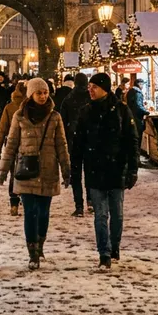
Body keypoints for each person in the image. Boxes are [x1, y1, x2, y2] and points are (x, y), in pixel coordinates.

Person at [0, 77, 71, 270]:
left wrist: (66, 168)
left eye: (45, 92)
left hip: (48, 170)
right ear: (31, 94)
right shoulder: (20, 116)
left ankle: (40, 244)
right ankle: (32, 251)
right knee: (30, 212)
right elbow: (12, 143)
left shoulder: (55, 116)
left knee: (44, 212)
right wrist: (4, 169)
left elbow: (61, 145)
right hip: (26, 171)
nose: (43, 96)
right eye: (39, 92)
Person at [72, 72, 139, 269]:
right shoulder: (86, 112)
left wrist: (132, 168)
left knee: (117, 214)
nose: (90, 90)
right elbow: (79, 143)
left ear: (105, 88)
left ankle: (114, 246)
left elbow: (131, 140)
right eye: (89, 86)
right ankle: (104, 252)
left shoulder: (121, 110)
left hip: (116, 169)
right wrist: (74, 169)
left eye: (94, 87)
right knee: (100, 214)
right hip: (95, 170)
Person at [60, 72, 92, 216]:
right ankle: (91, 202)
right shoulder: (91, 97)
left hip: (74, 141)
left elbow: (62, 120)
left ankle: (79, 205)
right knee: (90, 173)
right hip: (90, 139)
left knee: (76, 175)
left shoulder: (69, 99)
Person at [0, 80, 26, 215]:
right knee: (27, 173)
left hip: (12, 144)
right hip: (28, 145)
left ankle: (14, 201)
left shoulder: (9, 107)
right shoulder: (30, 107)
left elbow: (2, 129)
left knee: (14, 173)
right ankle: (26, 199)